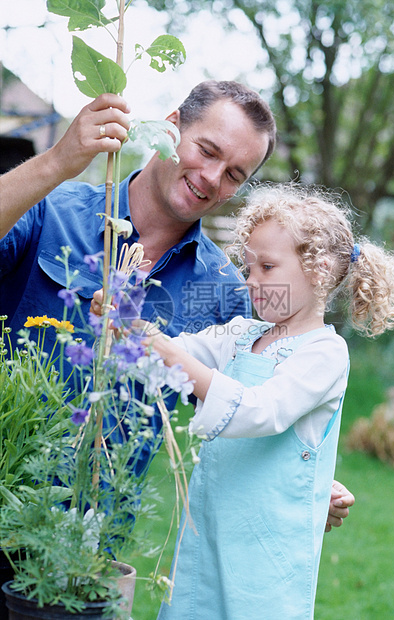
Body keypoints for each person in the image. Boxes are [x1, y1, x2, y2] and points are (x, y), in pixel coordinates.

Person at [0, 80, 353, 524]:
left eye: (233, 175)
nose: (211, 177)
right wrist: (55, 163)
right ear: (171, 130)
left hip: (88, 546)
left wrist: (304, 481)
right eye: (208, 150)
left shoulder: (226, 289)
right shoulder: (51, 207)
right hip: (6, 479)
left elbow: (251, 405)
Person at [138, 182, 394, 620]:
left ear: (318, 271)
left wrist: (164, 351)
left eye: (266, 267)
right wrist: (132, 331)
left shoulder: (323, 352)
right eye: (248, 267)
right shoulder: (242, 335)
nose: (252, 281)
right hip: (208, 531)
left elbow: (261, 409)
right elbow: (180, 353)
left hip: (266, 553)